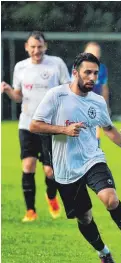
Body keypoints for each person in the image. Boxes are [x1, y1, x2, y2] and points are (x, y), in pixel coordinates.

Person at [30, 52, 121, 263]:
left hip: (92, 159)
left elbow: (108, 127)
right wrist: (63, 129)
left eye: (95, 73)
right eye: (87, 73)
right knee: (84, 218)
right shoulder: (56, 95)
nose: (92, 78)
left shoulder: (97, 101)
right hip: (65, 167)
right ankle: (103, 252)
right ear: (75, 73)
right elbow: (35, 125)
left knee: (110, 199)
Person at [1, 31, 70, 222]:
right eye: (32, 47)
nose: (36, 51)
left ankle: (51, 196)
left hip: (50, 126)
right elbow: (18, 97)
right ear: (26, 47)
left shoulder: (56, 64)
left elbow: (68, 90)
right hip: (27, 124)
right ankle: (30, 210)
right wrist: (7, 90)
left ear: (45, 46)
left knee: (50, 171)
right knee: (28, 165)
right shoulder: (20, 67)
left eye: (39, 47)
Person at [72, 42, 110, 147]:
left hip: (94, 105)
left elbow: (104, 88)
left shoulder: (102, 69)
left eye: (97, 52)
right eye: (92, 52)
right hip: (79, 104)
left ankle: (94, 152)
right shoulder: (77, 68)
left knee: (96, 130)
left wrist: (106, 106)